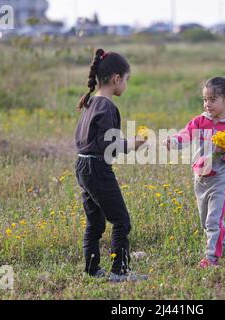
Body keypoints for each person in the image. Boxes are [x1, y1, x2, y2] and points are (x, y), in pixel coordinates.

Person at [74, 48, 146, 282]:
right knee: (121, 220)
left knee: (95, 222)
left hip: (83, 166)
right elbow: (110, 145)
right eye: (126, 80)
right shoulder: (107, 107)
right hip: (97, 169)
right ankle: (119, 271)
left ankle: (93, 270)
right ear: (117, 79)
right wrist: (133, 144)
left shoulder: (90, 102)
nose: (126, 84)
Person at [165, 76, 225, 268]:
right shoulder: (201, 121)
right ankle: (224, 249)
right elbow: (186, 133)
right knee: (206, 221)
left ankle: (211, 259)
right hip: (200, 180)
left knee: (213, 221)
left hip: (219, 180)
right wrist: (174, 141)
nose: (207, 104)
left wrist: (224, 151)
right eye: (205, 99)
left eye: (212, 99)